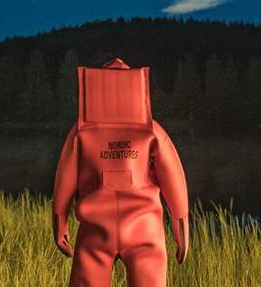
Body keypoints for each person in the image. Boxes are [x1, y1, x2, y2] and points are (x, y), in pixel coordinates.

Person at [51, 57, 189, 287]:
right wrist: (181, 222)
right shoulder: (151, 129)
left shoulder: (81, 131)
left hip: (96, 230)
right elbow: (173, 176)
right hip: (144, 229)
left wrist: (59, 218)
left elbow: (65, 176)